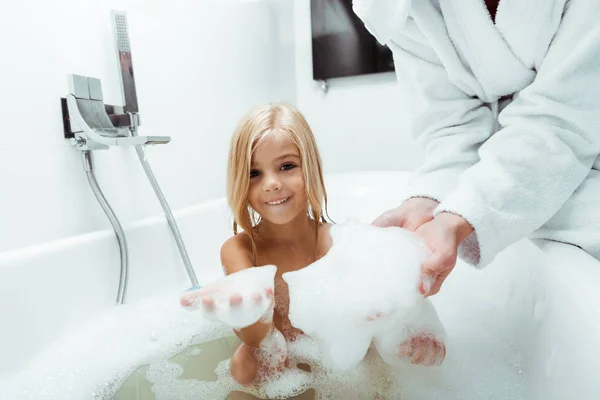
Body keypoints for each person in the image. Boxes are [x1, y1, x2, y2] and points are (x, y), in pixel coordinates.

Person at [180, 103, 446, 387]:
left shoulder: (340, 243)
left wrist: (408, 336)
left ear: (311, 168)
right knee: (246, 368)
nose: (271, 183)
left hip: (337, 370)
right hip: (276, 375)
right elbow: (257, 338)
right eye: (254, 173)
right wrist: (247, 311)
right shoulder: (240, 249)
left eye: (286, 166)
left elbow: (376, 319)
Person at [353, 0, 600, 296]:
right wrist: (429, 198)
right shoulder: (397, 8)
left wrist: (462, 215)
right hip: (517, 198)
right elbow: (451, 127)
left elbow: (561, 122)